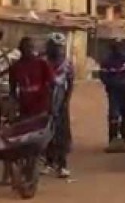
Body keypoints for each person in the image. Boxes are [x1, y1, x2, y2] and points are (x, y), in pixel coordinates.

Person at [45, 34, 74, 179]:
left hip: (60, 103)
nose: (58, 50)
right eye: (55, 47)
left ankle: (62, 165)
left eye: (60, 47)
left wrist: (66, 101)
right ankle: (48, 163)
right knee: (46, 133)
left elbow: (70, 84)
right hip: (44, 104)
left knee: (61, 134)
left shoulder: (67, 65)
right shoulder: (44, 63)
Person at [100, 39, 125, 152]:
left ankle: (124, 135)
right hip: (113, 92)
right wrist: (112, 84)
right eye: (114, 46)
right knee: (114, 116)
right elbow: (103, 76)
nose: (117, 49)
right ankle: (113, 139)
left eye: (118, 46)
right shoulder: (107, 61)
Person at [9, 36, 55, 119]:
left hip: (41, 106)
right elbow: (12, 90)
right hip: (24, 107)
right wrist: (13, 109)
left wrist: (51, 106)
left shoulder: (42, 64)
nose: (28, 49)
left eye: (30, 47)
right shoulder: (15, 67)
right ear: (20, 49)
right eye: (25, 47)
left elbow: (51, 85)